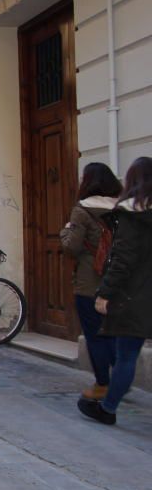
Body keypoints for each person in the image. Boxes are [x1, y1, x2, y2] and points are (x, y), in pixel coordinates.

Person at [79, 156, 152, 425]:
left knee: (126, 356)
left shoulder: (131, 216)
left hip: (132, 297)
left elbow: (122, 260)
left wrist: (105, 293)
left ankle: (107, 408)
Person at [60, 163, 122, 401]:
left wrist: (65, 231)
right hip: (119, 281)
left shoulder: (82, 210)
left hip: (89, 282)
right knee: (115, 332)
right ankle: (121, 377)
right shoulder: (123, 209)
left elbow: (71, 246)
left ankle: (103, 384)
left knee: (95, 334)